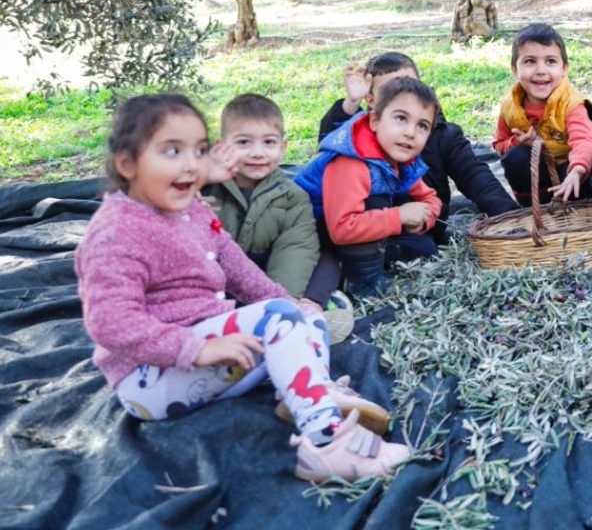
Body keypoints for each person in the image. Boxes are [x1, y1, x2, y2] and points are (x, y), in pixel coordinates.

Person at [75, 94, 409, 483]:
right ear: (127, 163)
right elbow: (111, 323)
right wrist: (195, 348)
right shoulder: (116, 232)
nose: (190, 164)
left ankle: (310, 393)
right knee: (281, 318)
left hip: (211, 357)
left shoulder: (192, 210)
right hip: (151, 379)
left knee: (303, 314)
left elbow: (241, 272)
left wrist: (295, 308)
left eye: (198, 151)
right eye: (171, 151)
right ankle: (326, 444)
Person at [319, 52, 518, 257]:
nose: (406, 96)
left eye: (410, 85)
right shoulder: (359, 139)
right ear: (372, 103)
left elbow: (475, 176)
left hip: (421, 225)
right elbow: (332, 145)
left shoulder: (443, 134)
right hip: (365, 226)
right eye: (392, 91)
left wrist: (512, 217)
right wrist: (351, 103)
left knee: (423, 250)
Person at [206, 94, 355, 343]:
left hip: (265, 272)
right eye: (243, 142)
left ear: (283, 147)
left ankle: (310, 306)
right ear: (222, 147)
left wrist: (279, 303)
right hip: (214, 275)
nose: (257, 153)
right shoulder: (204, 185)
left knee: (327, 258)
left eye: (268, 142)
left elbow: (295, 248)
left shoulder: (292, 197)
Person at [296, 77, 442, 295]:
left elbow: (430, 197)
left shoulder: (400, 158)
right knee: (376, 202)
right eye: (401, 118)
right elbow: (343, 228)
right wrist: (399, 216)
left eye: (422, 126)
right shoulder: (352, 160)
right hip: (304, 232)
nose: (410, 132)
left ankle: (359, 264)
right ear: (375, 121)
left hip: (346, 228)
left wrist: (423, 219)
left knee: (424, 248)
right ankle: (362, 283)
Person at [494, 23, 592, 206]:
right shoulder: (510, 106)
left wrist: (577, 171)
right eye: (530, 61)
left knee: (585, 168)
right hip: (539, 176)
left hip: (572, 170)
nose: (541, 70)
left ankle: (579, 210)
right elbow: (499, 143)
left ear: (564, 68)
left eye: (550, 61)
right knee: (516, 158)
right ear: (514, 68)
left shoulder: (571, 103)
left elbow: (584, 141)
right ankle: (534, 210)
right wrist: (517, 142)